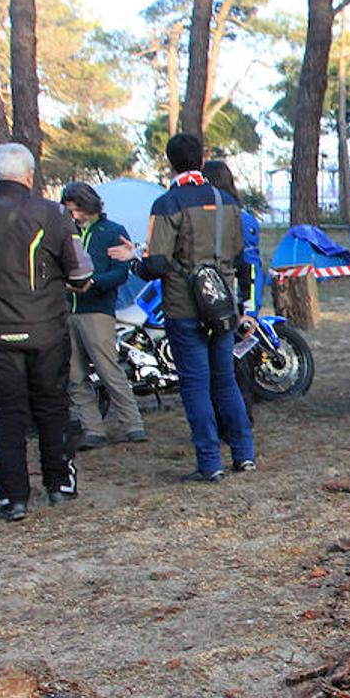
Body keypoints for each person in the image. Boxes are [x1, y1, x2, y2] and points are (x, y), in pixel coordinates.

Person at [0, 143, 93, 522]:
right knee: (52, 404)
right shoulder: (52, 213)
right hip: (44, 327)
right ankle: (60, 483)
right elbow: (79, 274)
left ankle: (13, 497)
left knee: (6, 412)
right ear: (29, 175)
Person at [108, 134, 255, 483]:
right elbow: (238, 256)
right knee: (225, 381)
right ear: (202, 161)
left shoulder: (167, 203)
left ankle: (210, 463)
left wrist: (134, 263)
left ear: (170, 163)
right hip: (222, 304)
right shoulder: (227, 202)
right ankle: (244, 454)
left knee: (195, 385)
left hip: (183, 306)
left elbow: (156, 263)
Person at [60, 181, 147, 449]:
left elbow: (120, 273)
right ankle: (92, 429)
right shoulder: (66, 232)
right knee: (74, 375)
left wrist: (93, 283)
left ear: (87, 206)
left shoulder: (112, 232)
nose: (71, 216)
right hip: (67, 311)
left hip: (97, 311)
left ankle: (133, 424)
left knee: (108, 369)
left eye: (74, 210)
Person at [202, 159, 260, 422]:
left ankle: (237, 421)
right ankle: (236, 419)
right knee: (231, 366)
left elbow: (247, 266)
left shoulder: (234, 216)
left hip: (224, 302)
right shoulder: (231, 214)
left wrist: (247, 308)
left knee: (231, 366)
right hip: (226, 301)